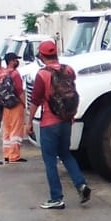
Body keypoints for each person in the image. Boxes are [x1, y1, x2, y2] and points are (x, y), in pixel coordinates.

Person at [31, 40, 91, 208]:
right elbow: (71, 92)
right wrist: (72, 115)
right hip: (66, 120)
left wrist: (28, 122)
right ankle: (81, 184)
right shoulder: (69, 70)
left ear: (42, 56)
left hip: (49, 122)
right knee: (65, 154)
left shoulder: (42, 74)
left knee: (50, 160)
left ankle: (56, 198)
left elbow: (36, 100)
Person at [0, 52, 27, 162]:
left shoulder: (2, 74)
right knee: (16, 130)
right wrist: (24, 103)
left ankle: (7, 153)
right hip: (16, 105)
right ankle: (14, 155)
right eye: (16, 60)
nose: (17, 62)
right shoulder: (15, 74)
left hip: (6, 105)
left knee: (7, 129)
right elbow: (19, 90)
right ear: (11, 61)